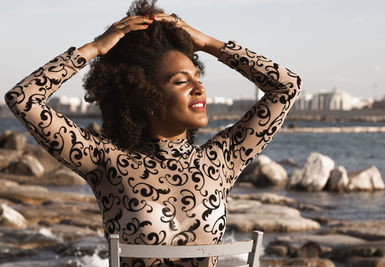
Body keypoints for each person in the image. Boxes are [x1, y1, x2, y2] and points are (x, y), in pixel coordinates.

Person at [4, 0, 302, 266]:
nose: (199, 89)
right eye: (181, 81)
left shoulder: (223, 158)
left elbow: (286, 86)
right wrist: (95, 48)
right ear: (144, 94)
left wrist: (209, 43)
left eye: (198, 77)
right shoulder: (106, 161)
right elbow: (23, 99)